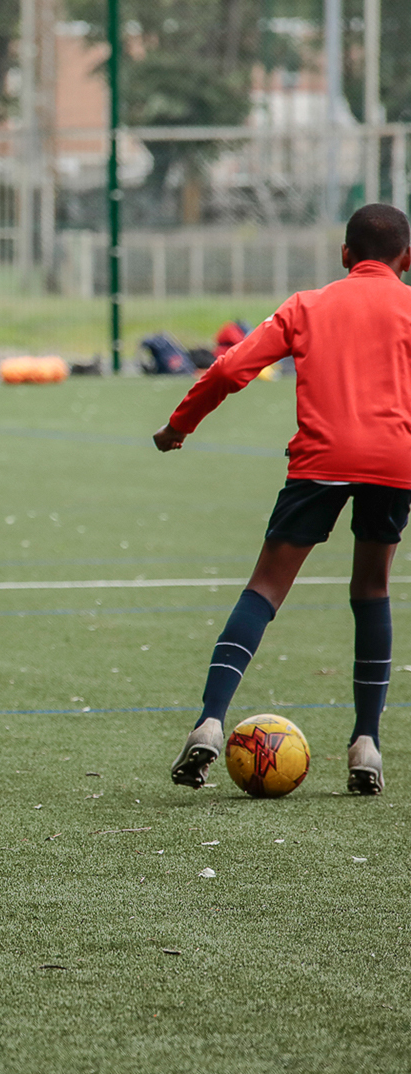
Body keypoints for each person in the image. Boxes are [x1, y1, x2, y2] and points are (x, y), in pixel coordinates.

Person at [154, 203, 411, 796]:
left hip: (321, 461)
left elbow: (228, 371)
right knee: (372, 590)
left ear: (344, 255)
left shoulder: (306, 306)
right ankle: (366, 742)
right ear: (407, 258)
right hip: (394, 464)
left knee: (265, 589)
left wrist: (178, 426)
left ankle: (210, 721)